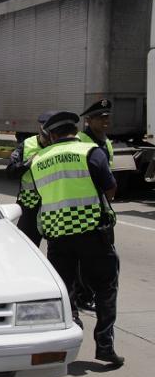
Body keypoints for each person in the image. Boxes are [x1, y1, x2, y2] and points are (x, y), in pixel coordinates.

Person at [30, 111, 123, 366]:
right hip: (92, 232)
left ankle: (73, 329)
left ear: (50, 135)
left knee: (65, 289)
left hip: (57, 235)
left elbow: (42, 193)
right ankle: (104, 345)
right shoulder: (91, 152)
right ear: (75, 130)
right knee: (106, 286)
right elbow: (110, 188)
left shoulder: (39, 160)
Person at [74, 99, 115, 311]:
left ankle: (88, 293)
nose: (106, 121)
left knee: (101, 256)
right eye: (101, 117)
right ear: (89, 121)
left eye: (107, 116)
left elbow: (108, 173)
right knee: (84, 257)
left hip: (101, 207)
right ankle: (82, 295)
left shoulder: (106, 142)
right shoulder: (80, 141)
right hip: (82, 208)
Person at [6, 111, 54, 246]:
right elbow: (10, 172)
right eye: (46, 138)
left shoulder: (58, 147)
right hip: (29, 206)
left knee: (57, 251)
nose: (49, 142)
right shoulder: (27, 145)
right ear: (41, 131)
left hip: (53, 206)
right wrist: (27, 164)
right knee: (25, 247)